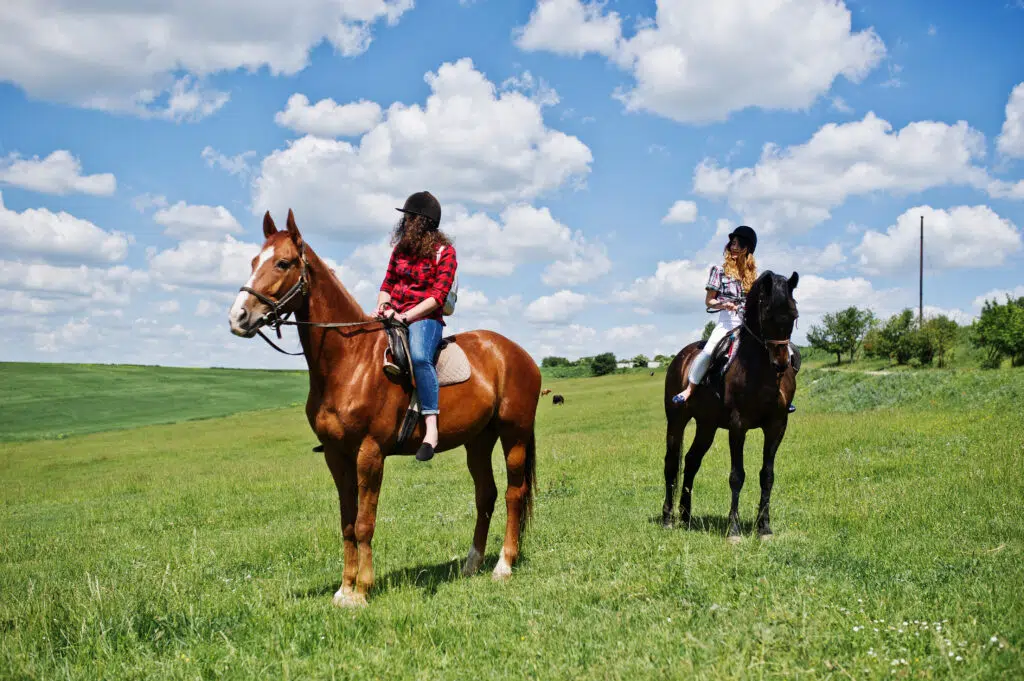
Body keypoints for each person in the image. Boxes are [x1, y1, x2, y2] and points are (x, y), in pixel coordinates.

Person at [671, 225, 797, 412]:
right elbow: (709, 301)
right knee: (708, 353)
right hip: (727, 321)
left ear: (748, 248)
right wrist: (724, 304)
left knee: (789, 353)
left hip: (750, 324)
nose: (733, 247)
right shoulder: (719, 270)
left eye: (738, 244)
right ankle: (690, 389)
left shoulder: (754, 276)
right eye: (732, 243)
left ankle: (782, 392)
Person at [376, 191, 458, 461]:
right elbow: (387, 284)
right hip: (393, 313)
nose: (405, 222)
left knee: (421, 357)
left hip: (425, 319)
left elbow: (437, 297)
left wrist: (406, 317)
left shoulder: (445, 253)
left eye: (410, 218)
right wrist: (383, 306)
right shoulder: (400, 250)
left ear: (423, 222)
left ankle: (431, 428)